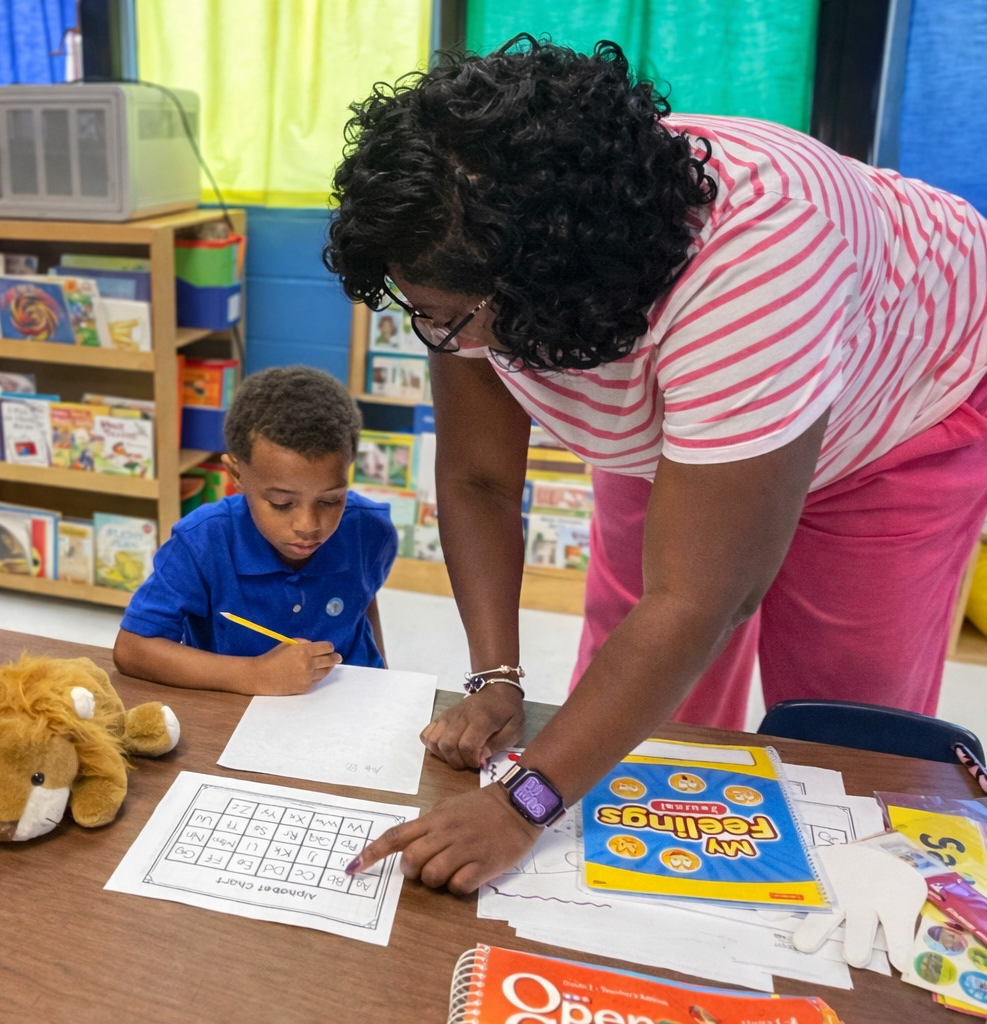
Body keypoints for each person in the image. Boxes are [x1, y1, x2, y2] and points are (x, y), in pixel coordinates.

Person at [325, 37, 987, 894]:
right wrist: (497, 680)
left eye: (446, 319)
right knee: (641, 697)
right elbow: (478, 480)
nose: (436, 338)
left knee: (842, 728)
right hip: (691, 386)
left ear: (548, 293)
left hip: (898, 412)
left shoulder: (760, 257)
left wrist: (522, 804)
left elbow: (706, 598)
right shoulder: (482, 238)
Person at [113, 367, 396, 695]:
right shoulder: (201, 542)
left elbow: (362, 594)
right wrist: (254, 674)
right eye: (280, 503)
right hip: (237, 715)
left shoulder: (371, 530)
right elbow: (132, 649)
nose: (308, 526)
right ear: (236, 475)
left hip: (346, 703)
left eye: (331, 499)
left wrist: (384, 681)